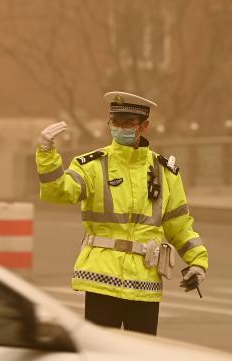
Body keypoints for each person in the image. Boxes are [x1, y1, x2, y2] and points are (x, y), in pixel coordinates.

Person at [35, 91, 209, 335]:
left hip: (145, 283)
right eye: (115, 122)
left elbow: (179, 225)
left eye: (128, 123)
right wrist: (46, 153)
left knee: (142, 353)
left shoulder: (165, 172)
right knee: (103, 352)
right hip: (101, 280)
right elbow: (58, 192)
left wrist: (197, 262)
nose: (120, 128)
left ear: (144, 126)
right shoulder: (92, 165)